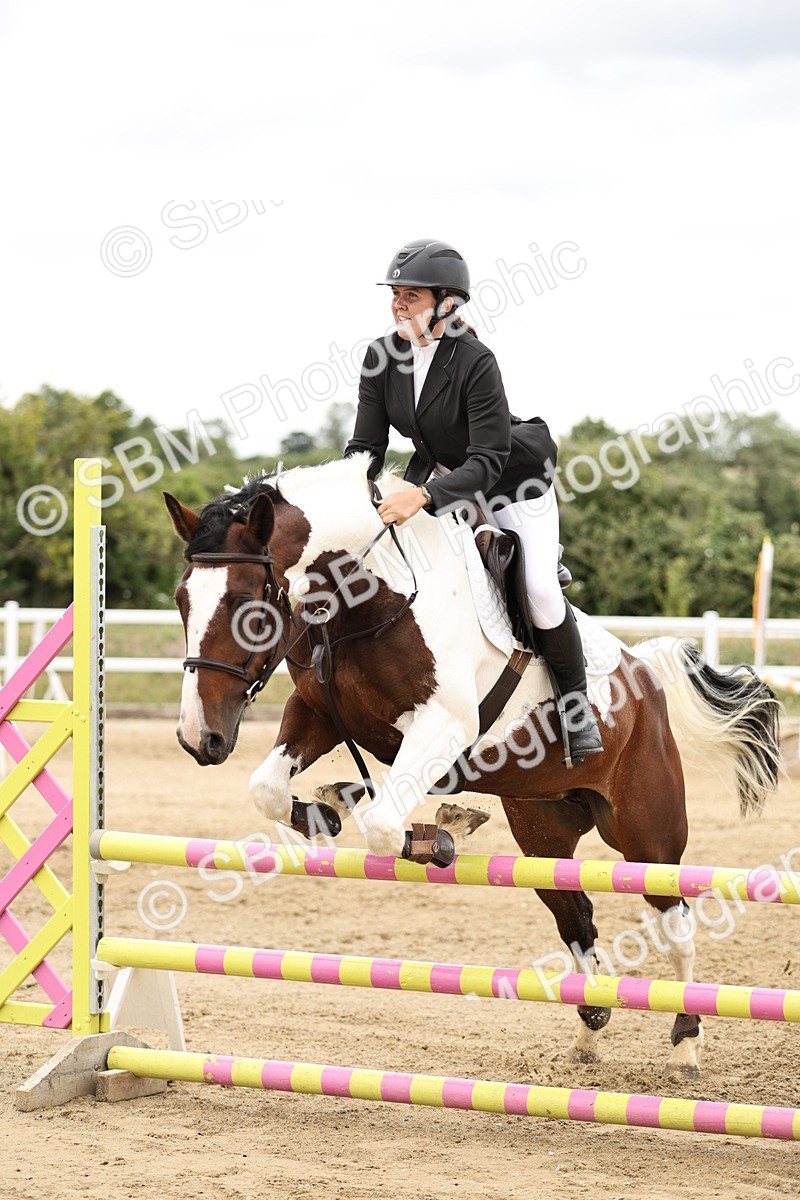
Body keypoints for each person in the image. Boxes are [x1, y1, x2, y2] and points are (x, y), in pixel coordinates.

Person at [344, 238, 603, 762]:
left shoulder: (476, 361)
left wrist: (422, 496)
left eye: (410, 295)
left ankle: (577, 713)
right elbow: (366, 447)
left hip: (510, 481)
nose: (397, 303)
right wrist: (345, 490)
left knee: (539, 591)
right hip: (439, 475)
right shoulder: (380, 356)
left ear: (446, 303)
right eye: (395, 293)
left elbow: (486, 459)